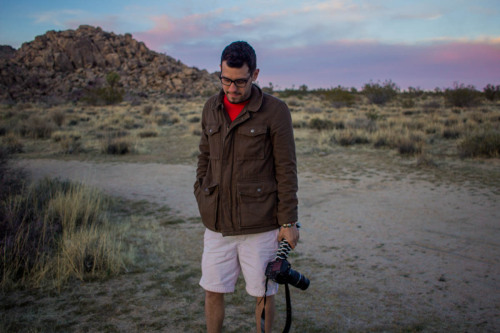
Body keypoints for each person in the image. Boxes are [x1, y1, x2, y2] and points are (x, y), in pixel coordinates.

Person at [194, 41, 300, 333]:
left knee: (263, 295)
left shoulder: (276, 111)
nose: (232, 88)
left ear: (255, 74)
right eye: (225, 80)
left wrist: (288, 220)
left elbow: (286, 169)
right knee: (212, 289)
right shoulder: (211, 108)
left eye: (240, 81)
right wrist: (202, 192)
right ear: (219, 72)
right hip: (217, 225)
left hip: (260, 225)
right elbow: (204, 156)